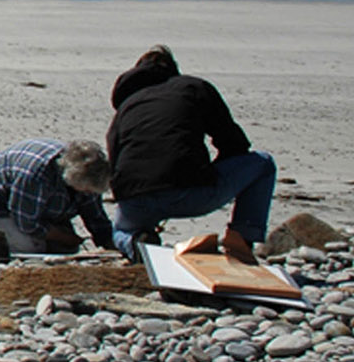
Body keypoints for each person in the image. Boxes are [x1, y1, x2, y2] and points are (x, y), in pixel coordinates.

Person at [106, 44, 276, 263]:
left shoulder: (126, 107)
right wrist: (209, 172)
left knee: (120, 232)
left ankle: (135, 243)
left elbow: (115, 162)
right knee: (263, 164)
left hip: (135, 199)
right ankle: (241, 243)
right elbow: (233, 143)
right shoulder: (193, 87)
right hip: (191, 192)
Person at [0, 138, 112, 254]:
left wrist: (109, 244)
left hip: (41, 204)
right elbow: (26, 222)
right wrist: (63, 236)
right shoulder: (36, 175)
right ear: (71, 178)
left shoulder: (92, 173)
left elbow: (96, 217)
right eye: (87, 190)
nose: (90, 194)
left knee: (65, 249)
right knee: (31, 248)